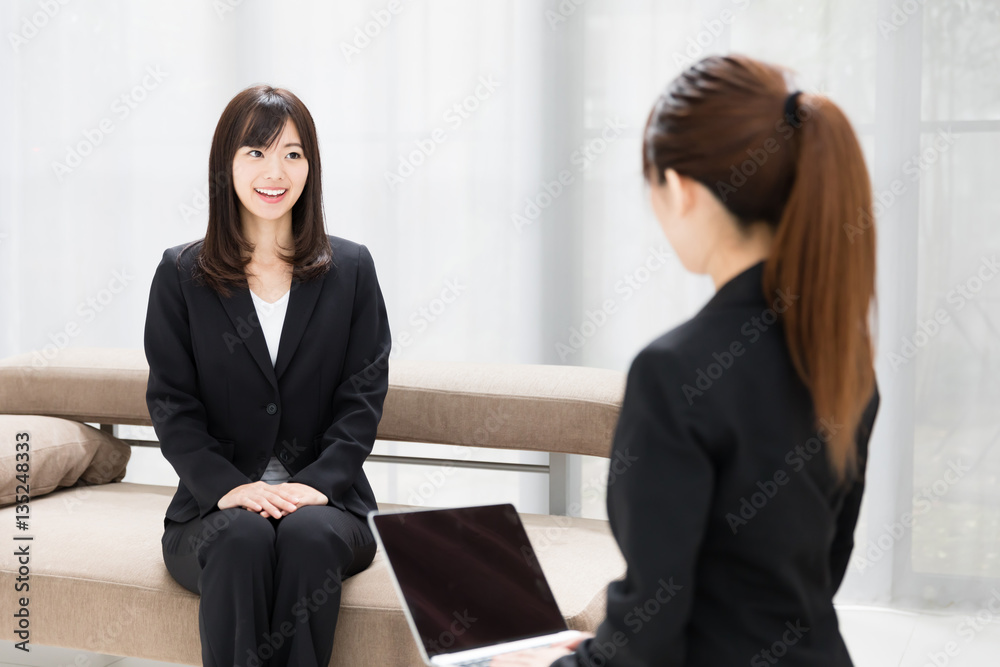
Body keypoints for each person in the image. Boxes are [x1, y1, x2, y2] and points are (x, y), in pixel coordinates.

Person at [493, 53, 880, 666]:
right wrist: (601, 648)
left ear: (680, 189)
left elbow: (649, 645)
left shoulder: (674, 373)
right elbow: (800, 586)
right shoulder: (843, 359)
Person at [146, 84, 391, 667]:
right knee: (240, 537)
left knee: (307, 536)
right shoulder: (181, 274)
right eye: (255, 152)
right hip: (212, 508)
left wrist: (319, 483)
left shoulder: (351, 269)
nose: (274, 170)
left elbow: (363, 396)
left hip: (330, 506)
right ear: (225, 165)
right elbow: (172, 404)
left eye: (292, 153)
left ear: (311, 166)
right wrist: (226, 487)